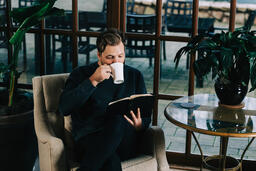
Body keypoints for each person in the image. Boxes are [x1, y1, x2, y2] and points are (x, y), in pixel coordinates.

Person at [59, 28, 151, 171]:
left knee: (118, 119)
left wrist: (139, 125)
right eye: (110, 57)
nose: (117, 62)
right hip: (89, 140)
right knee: (111, 163)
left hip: (124, 141)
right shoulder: (81, 74)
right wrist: (93, 81)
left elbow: (145, 116)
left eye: (120, 56)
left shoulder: (135, 75)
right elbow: (64, 108)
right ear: (99, 55)